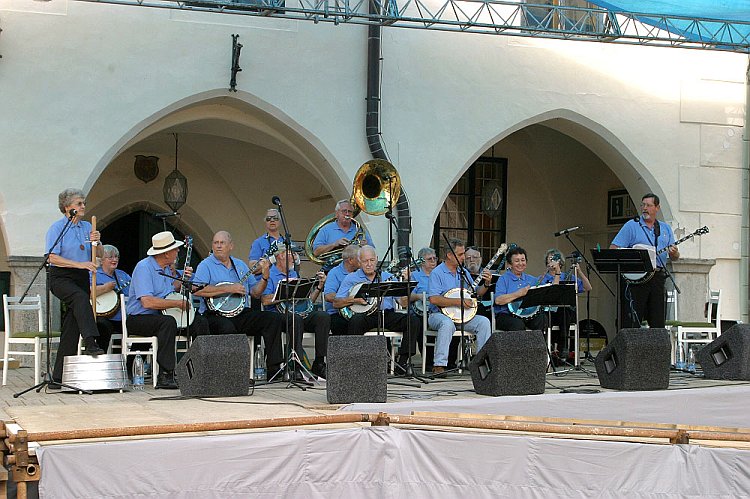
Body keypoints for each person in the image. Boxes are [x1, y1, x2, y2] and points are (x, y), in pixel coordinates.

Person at [193, 231, 285, 380]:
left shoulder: (240, 265)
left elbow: (255, 293)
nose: (218, 246)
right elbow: (196, 290)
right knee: (227, 328)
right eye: (215, 243)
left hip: (240, 313)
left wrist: (265, 277)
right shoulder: (206, 265)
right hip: (215, 315)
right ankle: (233, 372)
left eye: (222, 243)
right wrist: (229, 289)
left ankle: (273, 369)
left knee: (271, 319)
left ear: (231, 246)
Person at [127, 231, 209, 389]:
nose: (178, 251)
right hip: (139, 318)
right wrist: (176, 304)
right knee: (168, 323)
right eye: (175, 249)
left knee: (199, 322)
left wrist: (184, 281)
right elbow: (147, 302)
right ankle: (166, 374)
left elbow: (168, 291)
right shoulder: (144, 267)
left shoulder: (164, 268)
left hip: (159, 315)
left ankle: (202, 369)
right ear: (165, 253)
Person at [46, 188, 106, 386]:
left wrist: (98, 242)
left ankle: (58, 377)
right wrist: (80, 264)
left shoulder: (87, 226)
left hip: (81, 276)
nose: (83, 207)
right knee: (80, 299)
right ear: (67, 207)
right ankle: (90, 342)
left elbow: (100, 255)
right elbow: (52, 257)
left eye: (83, 203)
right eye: (79, 203)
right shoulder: (57, 228)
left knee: (72, 325)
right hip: (61, 276)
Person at [335, 245, 421, 367]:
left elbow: (403, 303)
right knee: (355, 321)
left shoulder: (386, 276)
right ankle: (355, 362)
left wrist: (406, 282)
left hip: (387, 314)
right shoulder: (351, 278)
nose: (369, 264)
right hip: (365, 316)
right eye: (365, 261)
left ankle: (402, 362)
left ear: (376, 259)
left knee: (412, 320)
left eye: (371, 260)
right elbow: (336, 302)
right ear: (359, 262)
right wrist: (354, 300)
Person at [261, 244, 330, 379]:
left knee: (323, 316)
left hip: (299, 312)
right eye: (292, 254)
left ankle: (319, 362)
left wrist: (319, 287)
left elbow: (307, 301)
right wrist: (285, 293)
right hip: (278, 316)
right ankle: (296, 365)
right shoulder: (271, 274)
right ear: (280, 256)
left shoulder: (294, 273)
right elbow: (264, 300)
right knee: (295, 319)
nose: (295, 258)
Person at [610, 193, 679, 328]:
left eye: (648, 205)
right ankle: (630, 347)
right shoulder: (631, 226)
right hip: (636, 278)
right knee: (632, 319)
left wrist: (674, 253)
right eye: (643, 205)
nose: (644, 208)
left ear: (657, 208)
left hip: (657, 276)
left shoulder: (665, 229)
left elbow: (674, 257)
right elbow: (614, 248)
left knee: (657, 320)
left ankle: (657, 348)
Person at [427, 239, 492, 376]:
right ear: (450, 255)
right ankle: (439, 365)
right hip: (438, 315)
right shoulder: (437, 273)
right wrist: (459, 302)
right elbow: (434, 299)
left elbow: (475, 293)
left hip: (461, 316)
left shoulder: (463, 272)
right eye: (461, 254)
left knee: (484, 322)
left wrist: (486, 284)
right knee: (447, 323)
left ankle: (480, 362)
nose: (464, 257)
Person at [538, 248, 592, 361]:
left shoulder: (568, 276)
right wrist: (557, 273)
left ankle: (564, 347)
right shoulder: (543, 278)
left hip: (564, 313)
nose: (553, 261)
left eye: (555, 258)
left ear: (561, 262)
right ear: (547, 263)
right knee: (554, 313)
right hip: (549, 312)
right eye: (550, 259)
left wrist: (580, 272)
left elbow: (588, 287)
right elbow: (554, 292)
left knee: (565, 310)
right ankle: (553, 348)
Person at [493, 246, 546, 332]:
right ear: (510, 264)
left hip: (527, 314)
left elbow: (546, 292)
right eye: (517, 261)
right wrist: (518, 294)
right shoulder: (503, 279)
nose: (521, 263)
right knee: (517, 324)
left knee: (542, 319)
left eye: (523, 260)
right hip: (506, 315)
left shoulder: (531, 279)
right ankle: (521, 346)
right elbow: (498, 300)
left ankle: (538, 345)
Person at [91, 244, 131, 352]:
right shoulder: (94, 274)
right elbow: (87, 293)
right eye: (110, 257)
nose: (114, 260)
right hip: (104, 317)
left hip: (123, 318)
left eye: (116, 257)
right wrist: (104, 288)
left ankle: (130, 364)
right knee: (102, 326)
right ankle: (100, 357)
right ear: (102, 260)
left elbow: (133, 292)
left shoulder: (122, 275)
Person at [323, 244, 360, 336]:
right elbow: (328, 296)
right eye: (359, 258)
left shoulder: (361, 272)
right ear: (350, 260)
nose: (362, 260)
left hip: (359, 311)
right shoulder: (334, 273)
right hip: (337, 313)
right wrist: (350, 298)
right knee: (341, 325)